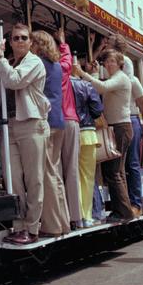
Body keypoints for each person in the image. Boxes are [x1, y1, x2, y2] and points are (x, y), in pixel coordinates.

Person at [0, 23, 50, 246]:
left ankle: (32, 227)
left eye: (23, 38)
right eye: (15, 38)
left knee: (33, 179)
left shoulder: (33, 62)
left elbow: (14, 81)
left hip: (31, 125)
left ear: (31, 42)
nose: (19, 41)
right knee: (13, 178)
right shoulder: (10, 63)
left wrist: (0, 58)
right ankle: (19, 226)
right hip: (10, 126)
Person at [79, 49, 139, 222]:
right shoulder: (116, 78)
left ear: (120, 63)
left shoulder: (120, 78)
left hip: (120, 127)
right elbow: (101, 85)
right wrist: (94, 73)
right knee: (117, 171)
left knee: (113, 172)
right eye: (107, 61)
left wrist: (82, 73)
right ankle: (123, 210)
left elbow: (102, 87)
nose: (108, 64)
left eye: (112, 61)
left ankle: (123, 212)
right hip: (118, 127)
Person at [30, 29, 71, 237]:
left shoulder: (39, 65)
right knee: (54, 174)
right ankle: (63, 222)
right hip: (59, 120)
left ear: (38, 45)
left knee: (47, 173)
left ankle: (52, 225)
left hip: (46, 121)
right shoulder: (56, 66)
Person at [70, 63, 105, 227]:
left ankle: (74, 216)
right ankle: (86, 216)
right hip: (88, 133)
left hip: (69, 132)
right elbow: (98, 110)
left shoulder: (62, 84)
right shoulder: (85, 85)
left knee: (72, 176)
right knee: (87, 177)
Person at [56, 31, 83, 227]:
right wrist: (63, 43)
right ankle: (77, 217)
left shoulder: (42, 68)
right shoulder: (62, 68)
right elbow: (67, 59)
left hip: (54, 122)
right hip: (71, 120)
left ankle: (61, 216)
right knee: (71, 169)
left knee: (56, 171)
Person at [125, 68, 143, 216]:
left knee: (132, 163)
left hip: (132, 120)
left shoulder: (133, 80)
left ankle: (136, 203)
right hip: (118, 121)